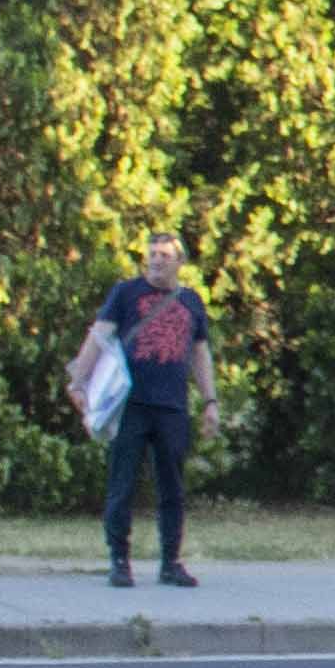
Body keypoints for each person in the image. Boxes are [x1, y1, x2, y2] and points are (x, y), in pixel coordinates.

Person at [87, 232, 214, 590]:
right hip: (130, 405)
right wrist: (79, 384)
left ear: (179, 262)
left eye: (164, 255)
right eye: (152, 254)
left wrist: (210, 401)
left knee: (172, 487)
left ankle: (170, 562)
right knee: (121, 484)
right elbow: (98, 337)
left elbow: (201, 353)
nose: (156, 260)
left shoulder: (191, 301)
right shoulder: (126, 293)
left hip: (172, 407)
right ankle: (119, 560)